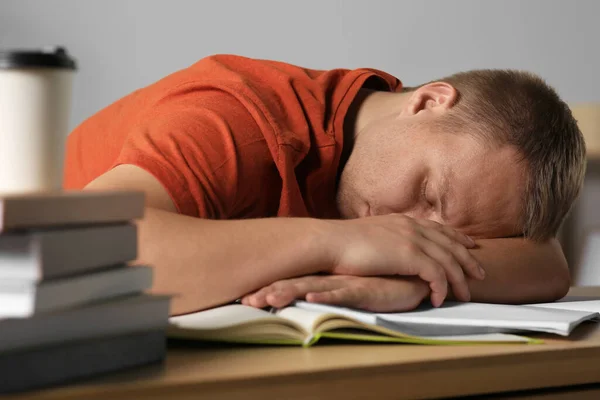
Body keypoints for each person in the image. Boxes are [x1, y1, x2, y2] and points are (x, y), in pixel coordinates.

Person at [64, 54, 586, 315]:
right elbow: (83, 253)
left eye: (453, 235)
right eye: (429, 195)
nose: (409, 232)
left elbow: (546, 264)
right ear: (428, 102)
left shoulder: (410, 164)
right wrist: (336, 241)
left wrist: (411, 280)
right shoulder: (234, 120)